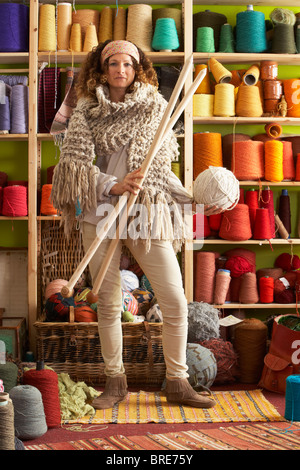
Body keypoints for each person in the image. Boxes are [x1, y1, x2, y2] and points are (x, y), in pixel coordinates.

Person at [51, 39, 216, 410]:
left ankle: (177, 381)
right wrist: (113, 184)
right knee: (107, 304)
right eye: (113, 63)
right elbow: (75, 168)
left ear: (137, 67)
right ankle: (116, 381)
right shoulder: (86, 110)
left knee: (174, 299)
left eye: (128, 63)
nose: (120, 70)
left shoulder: (156, 106)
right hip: (101, 213)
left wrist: (193, 197)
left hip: (146, 213)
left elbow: (160, 172)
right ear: (102, 67)